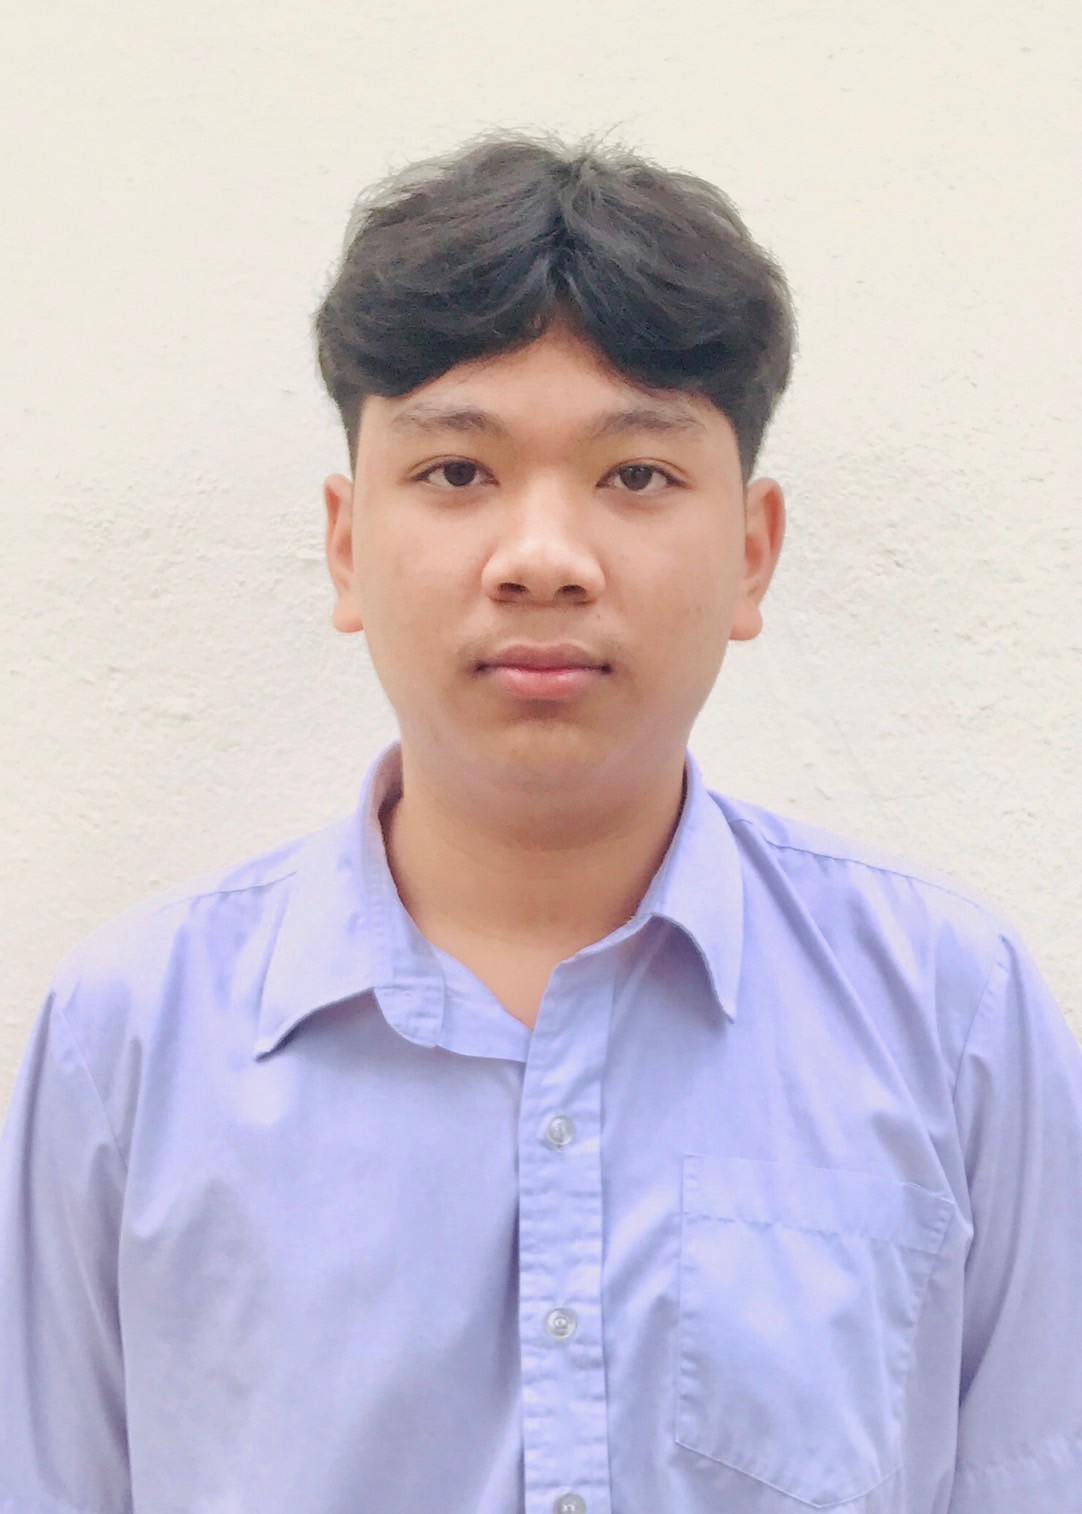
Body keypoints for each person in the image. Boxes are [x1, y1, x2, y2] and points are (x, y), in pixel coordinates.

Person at [1, 127, 1079, 1514]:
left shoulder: (949, 1014)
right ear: (346, 543)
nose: (544, 559)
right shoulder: (129, 1044)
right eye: (458, 472)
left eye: (636, 476)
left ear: (752, 553)